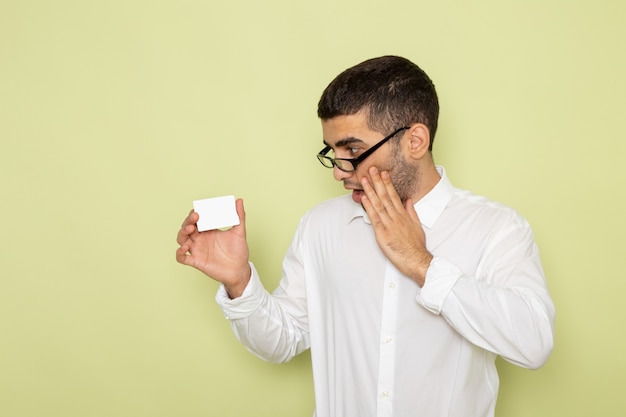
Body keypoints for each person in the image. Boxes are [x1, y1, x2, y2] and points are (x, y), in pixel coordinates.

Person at [175, 55, 555, 417]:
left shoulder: (495, 228)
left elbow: (534, 343)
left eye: (353, 149)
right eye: (333, 151)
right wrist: (240, 284)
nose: (339, 172)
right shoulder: (320, 227)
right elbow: (283, 340)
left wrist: (422, 263)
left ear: (415, 141)